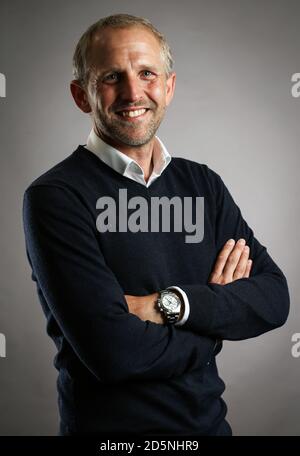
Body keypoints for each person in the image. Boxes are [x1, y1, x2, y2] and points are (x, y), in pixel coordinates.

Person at [22, 14, 289, 436]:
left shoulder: (203, 184)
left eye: (147, 73)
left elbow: (274, 299)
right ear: (82, 96)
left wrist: (173, 304)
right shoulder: (56, 197)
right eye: (112, 76)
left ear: (169, 86)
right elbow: (114, 354)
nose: (133, 92)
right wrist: (214, 325)